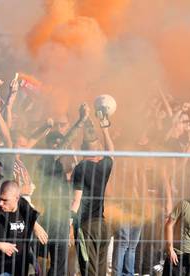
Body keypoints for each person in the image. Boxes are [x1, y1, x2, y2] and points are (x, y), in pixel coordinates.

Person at [36, 103, 88, 276]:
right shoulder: (45, 160)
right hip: (50, 216)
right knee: (38, 257)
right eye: (54, 143)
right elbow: (65, 143)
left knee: (59, 265)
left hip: (62, 217)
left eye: (59, 143)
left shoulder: (59, 165)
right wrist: (81, 121)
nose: (57, 146)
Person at [70, 108, 114, 276]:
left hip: (86, 227)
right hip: (102, 227)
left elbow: (76, 201)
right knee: (101, 272)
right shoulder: (105, 165)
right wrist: (105, 129)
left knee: (88, 270)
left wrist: (68, 225)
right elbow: (111, 153)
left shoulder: (81, 168)